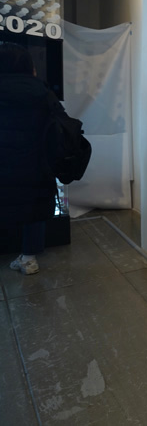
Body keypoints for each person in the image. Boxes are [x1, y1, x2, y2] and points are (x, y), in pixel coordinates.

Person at [0, 42, 59, 275]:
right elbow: (57, 129)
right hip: (35, 165)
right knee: (34, 209)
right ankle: (29, 258)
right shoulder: (43, 92)